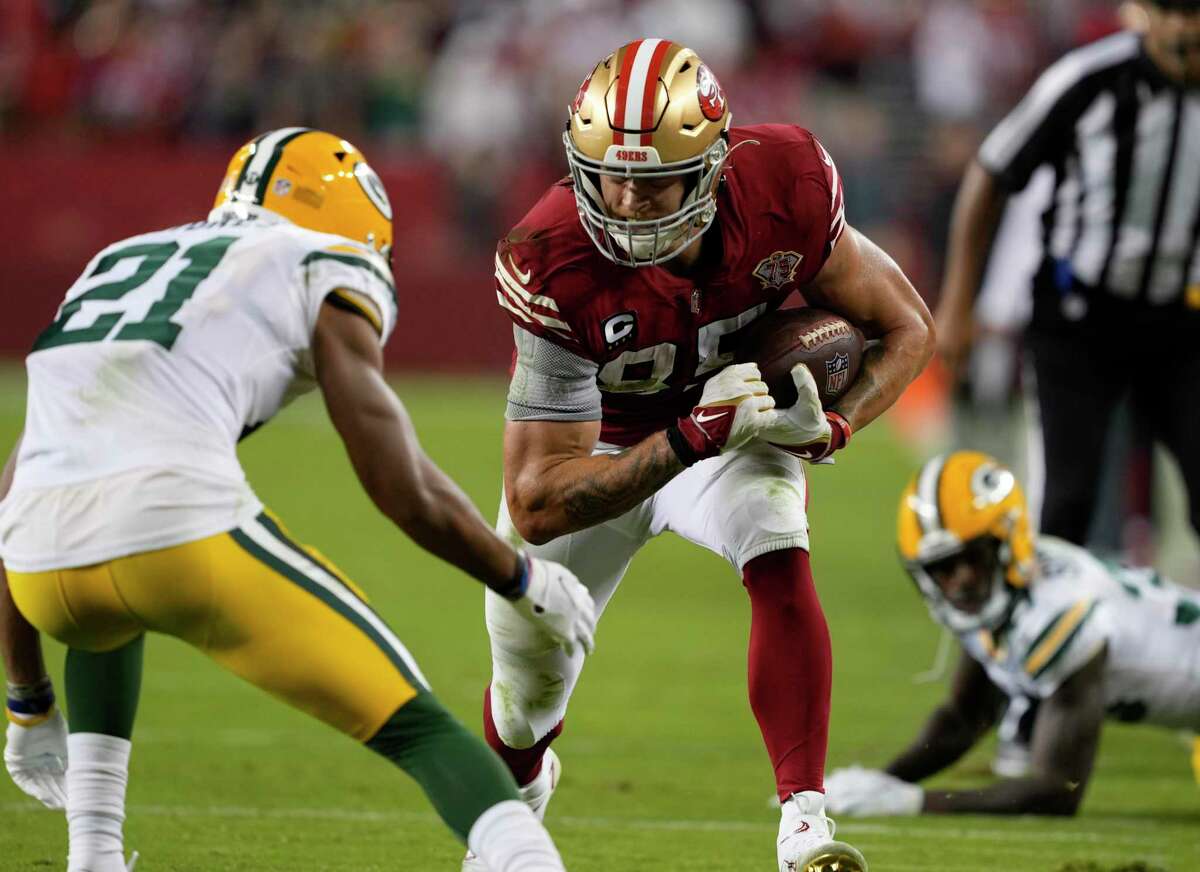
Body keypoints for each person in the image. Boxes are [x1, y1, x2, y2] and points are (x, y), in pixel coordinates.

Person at [0, 127, 599, 872]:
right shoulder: (319, 260)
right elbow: (399, 483)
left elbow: (23, 481)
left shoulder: (114, 261)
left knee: (103, 617)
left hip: (38, 566)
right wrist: (520, 577)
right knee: (419, 728)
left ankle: (92, 855)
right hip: (176, 536)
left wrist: (25, 695)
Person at [470, 39, 934, 872]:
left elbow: (907, 328)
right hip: (602, 449)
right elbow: (537, 497)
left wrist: (835, 427)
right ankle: (521, 800)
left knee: (775, 532)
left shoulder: (786, 184)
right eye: (608, 174)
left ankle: (804, 826)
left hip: (735, 417)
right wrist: (690, 436)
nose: (625, 199)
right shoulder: (547, 254)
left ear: (714, 168)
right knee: (523, 696)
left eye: (652, 183)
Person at [935, 1, 1200, 547]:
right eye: (1173, 11)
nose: (1183, 27)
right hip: (1080, 321)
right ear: (1148, 13)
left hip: (1180, 321)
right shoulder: (1088, 79)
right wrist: (958, 304)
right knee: (1066, 503)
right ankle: (1045, 628)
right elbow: (991, 171)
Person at [824, 450, 1200, 817]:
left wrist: (914, 802)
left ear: (1008, 542)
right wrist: (878, 783)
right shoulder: (1010, 591)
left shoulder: (1059, 611)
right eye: (943, 568)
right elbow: (965, 718)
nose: (960, 581)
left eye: (972, 559)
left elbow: (1057, 790)